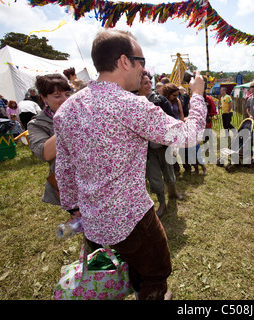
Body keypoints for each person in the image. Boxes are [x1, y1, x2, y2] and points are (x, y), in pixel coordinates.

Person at [53, 29, 207, 300]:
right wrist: (196, 95)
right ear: (125, 61)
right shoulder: (129, 105)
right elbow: (190, 135)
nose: (143, 70)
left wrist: (74, 207)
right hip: (132, 218)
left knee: (120, 268)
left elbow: (64, 168)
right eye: (142, 61)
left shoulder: (66, 109)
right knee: (156, 272)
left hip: (92, 220)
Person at [138, 72, 180, 217]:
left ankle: (173, 193)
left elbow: (172, 120)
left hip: (163, 146)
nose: (149, 85)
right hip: (147, 150)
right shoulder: (132, 102)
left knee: (169, 172)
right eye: (145, 83)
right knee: (154, 178)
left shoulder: (160, 100)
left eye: (149, 82)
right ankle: (162, 203)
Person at [28, 74, 72, 207]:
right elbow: (44, 152)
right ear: (43, 97)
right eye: (57, 96)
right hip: (68, 185)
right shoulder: (36, 124)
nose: (64, 100)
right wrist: (66, 121)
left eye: (68, 94)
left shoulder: (83, 112)